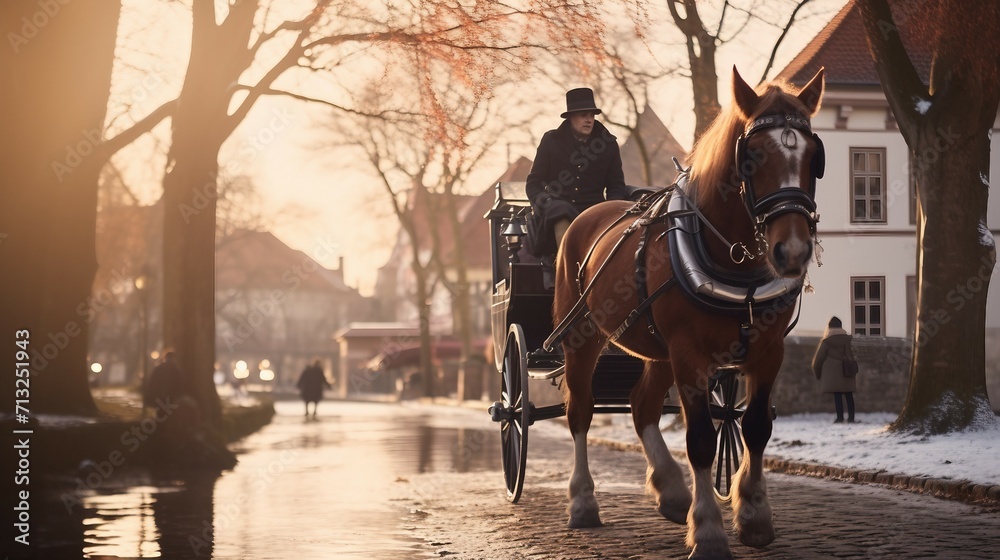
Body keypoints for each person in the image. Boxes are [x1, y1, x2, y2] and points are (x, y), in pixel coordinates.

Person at [525, 87, 628, 286]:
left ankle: (605, 273)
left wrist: (612, 209)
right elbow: (534, 182)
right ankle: (568, 275)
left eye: (591, 115)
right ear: (571, 118)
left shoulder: (608, 144)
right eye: (583, 116)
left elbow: (616, 184)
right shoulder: (551, 141)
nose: (589, 120)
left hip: (595, 210)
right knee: (560, 212)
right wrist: (544, 202)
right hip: (557, 208)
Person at [811, 316, 857, 423]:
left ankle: (839, 418)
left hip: (833, 374)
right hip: (847, 371)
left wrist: (818, 374)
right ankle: (851, 418)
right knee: (849, 395)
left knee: (838, 395)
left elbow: (818, 360)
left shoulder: (827, 342)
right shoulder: (848, 339)